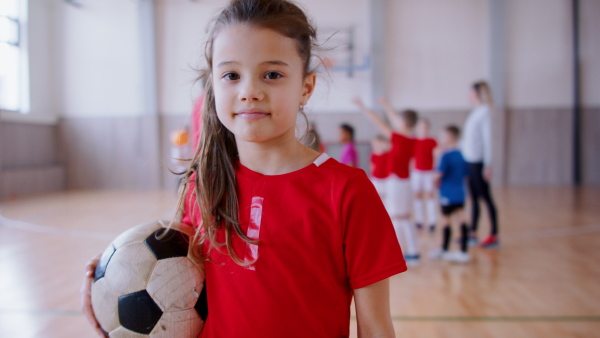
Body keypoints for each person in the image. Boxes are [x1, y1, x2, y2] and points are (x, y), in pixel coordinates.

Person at [81, 1, 407, 337]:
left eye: (272, 74)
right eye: (231, 75)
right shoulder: (203, 186)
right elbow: (169, 274)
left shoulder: (347, 192)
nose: (249, 91)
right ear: (214, 85)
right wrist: (110, 273)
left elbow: (376, 326)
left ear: (306, 87)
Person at [353, 97, 420, 265]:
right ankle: (412, 251)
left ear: (403, 123)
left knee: (397, 218)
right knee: (403, 217)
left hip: (397, 183)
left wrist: (362, 106)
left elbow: (378, 121)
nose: (395, 121)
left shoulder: (398, 138)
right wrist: (386, 105)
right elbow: (395, 118)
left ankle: (400, 253)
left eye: (398, 120)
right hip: (404, 182)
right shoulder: (411, 139)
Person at [462, 80, 499, 248]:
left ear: (476, 93)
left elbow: (488, 140)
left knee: (486, 198)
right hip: (469, 161)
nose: (468, 95)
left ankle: (494, 234)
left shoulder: (485, 112)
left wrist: (488, 164)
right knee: (474, 198)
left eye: (470, 91)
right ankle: (473, 232)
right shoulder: (476, 112)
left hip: (478, 162)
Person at [429, 125, 471, 263]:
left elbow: (438, 174)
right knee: (461, 218)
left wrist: (435, 159)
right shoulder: (461, 154)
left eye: (443, 136)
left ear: (450, 137)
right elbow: (466, 176)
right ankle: (463, 251)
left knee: (446, 220)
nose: (441, 139)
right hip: (460, 192)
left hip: (447, 193)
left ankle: (445, 249)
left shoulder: (445, 155)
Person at [412, 118, 438, 232]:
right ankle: (419, 221)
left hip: (429, 172)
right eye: (421, 126)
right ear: (417, 128)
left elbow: (437, 155)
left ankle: (432, 222)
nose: (423, 129)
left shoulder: (432, 141)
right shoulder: (413, 141)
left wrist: (436, 171)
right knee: (417, 195)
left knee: (430, 196)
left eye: (425, 127)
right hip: (417, 172)